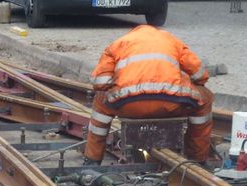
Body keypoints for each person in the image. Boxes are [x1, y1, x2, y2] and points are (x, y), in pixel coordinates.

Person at [84, 25, 213, 165]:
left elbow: (100, 83)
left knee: (100, 99)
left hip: (129, 106)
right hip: (170, 104)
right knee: (205, 98)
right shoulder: (172, 41)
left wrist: (118, 81)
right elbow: (200, 75)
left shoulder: (117, 44)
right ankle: (197, 159)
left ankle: (92, 160)